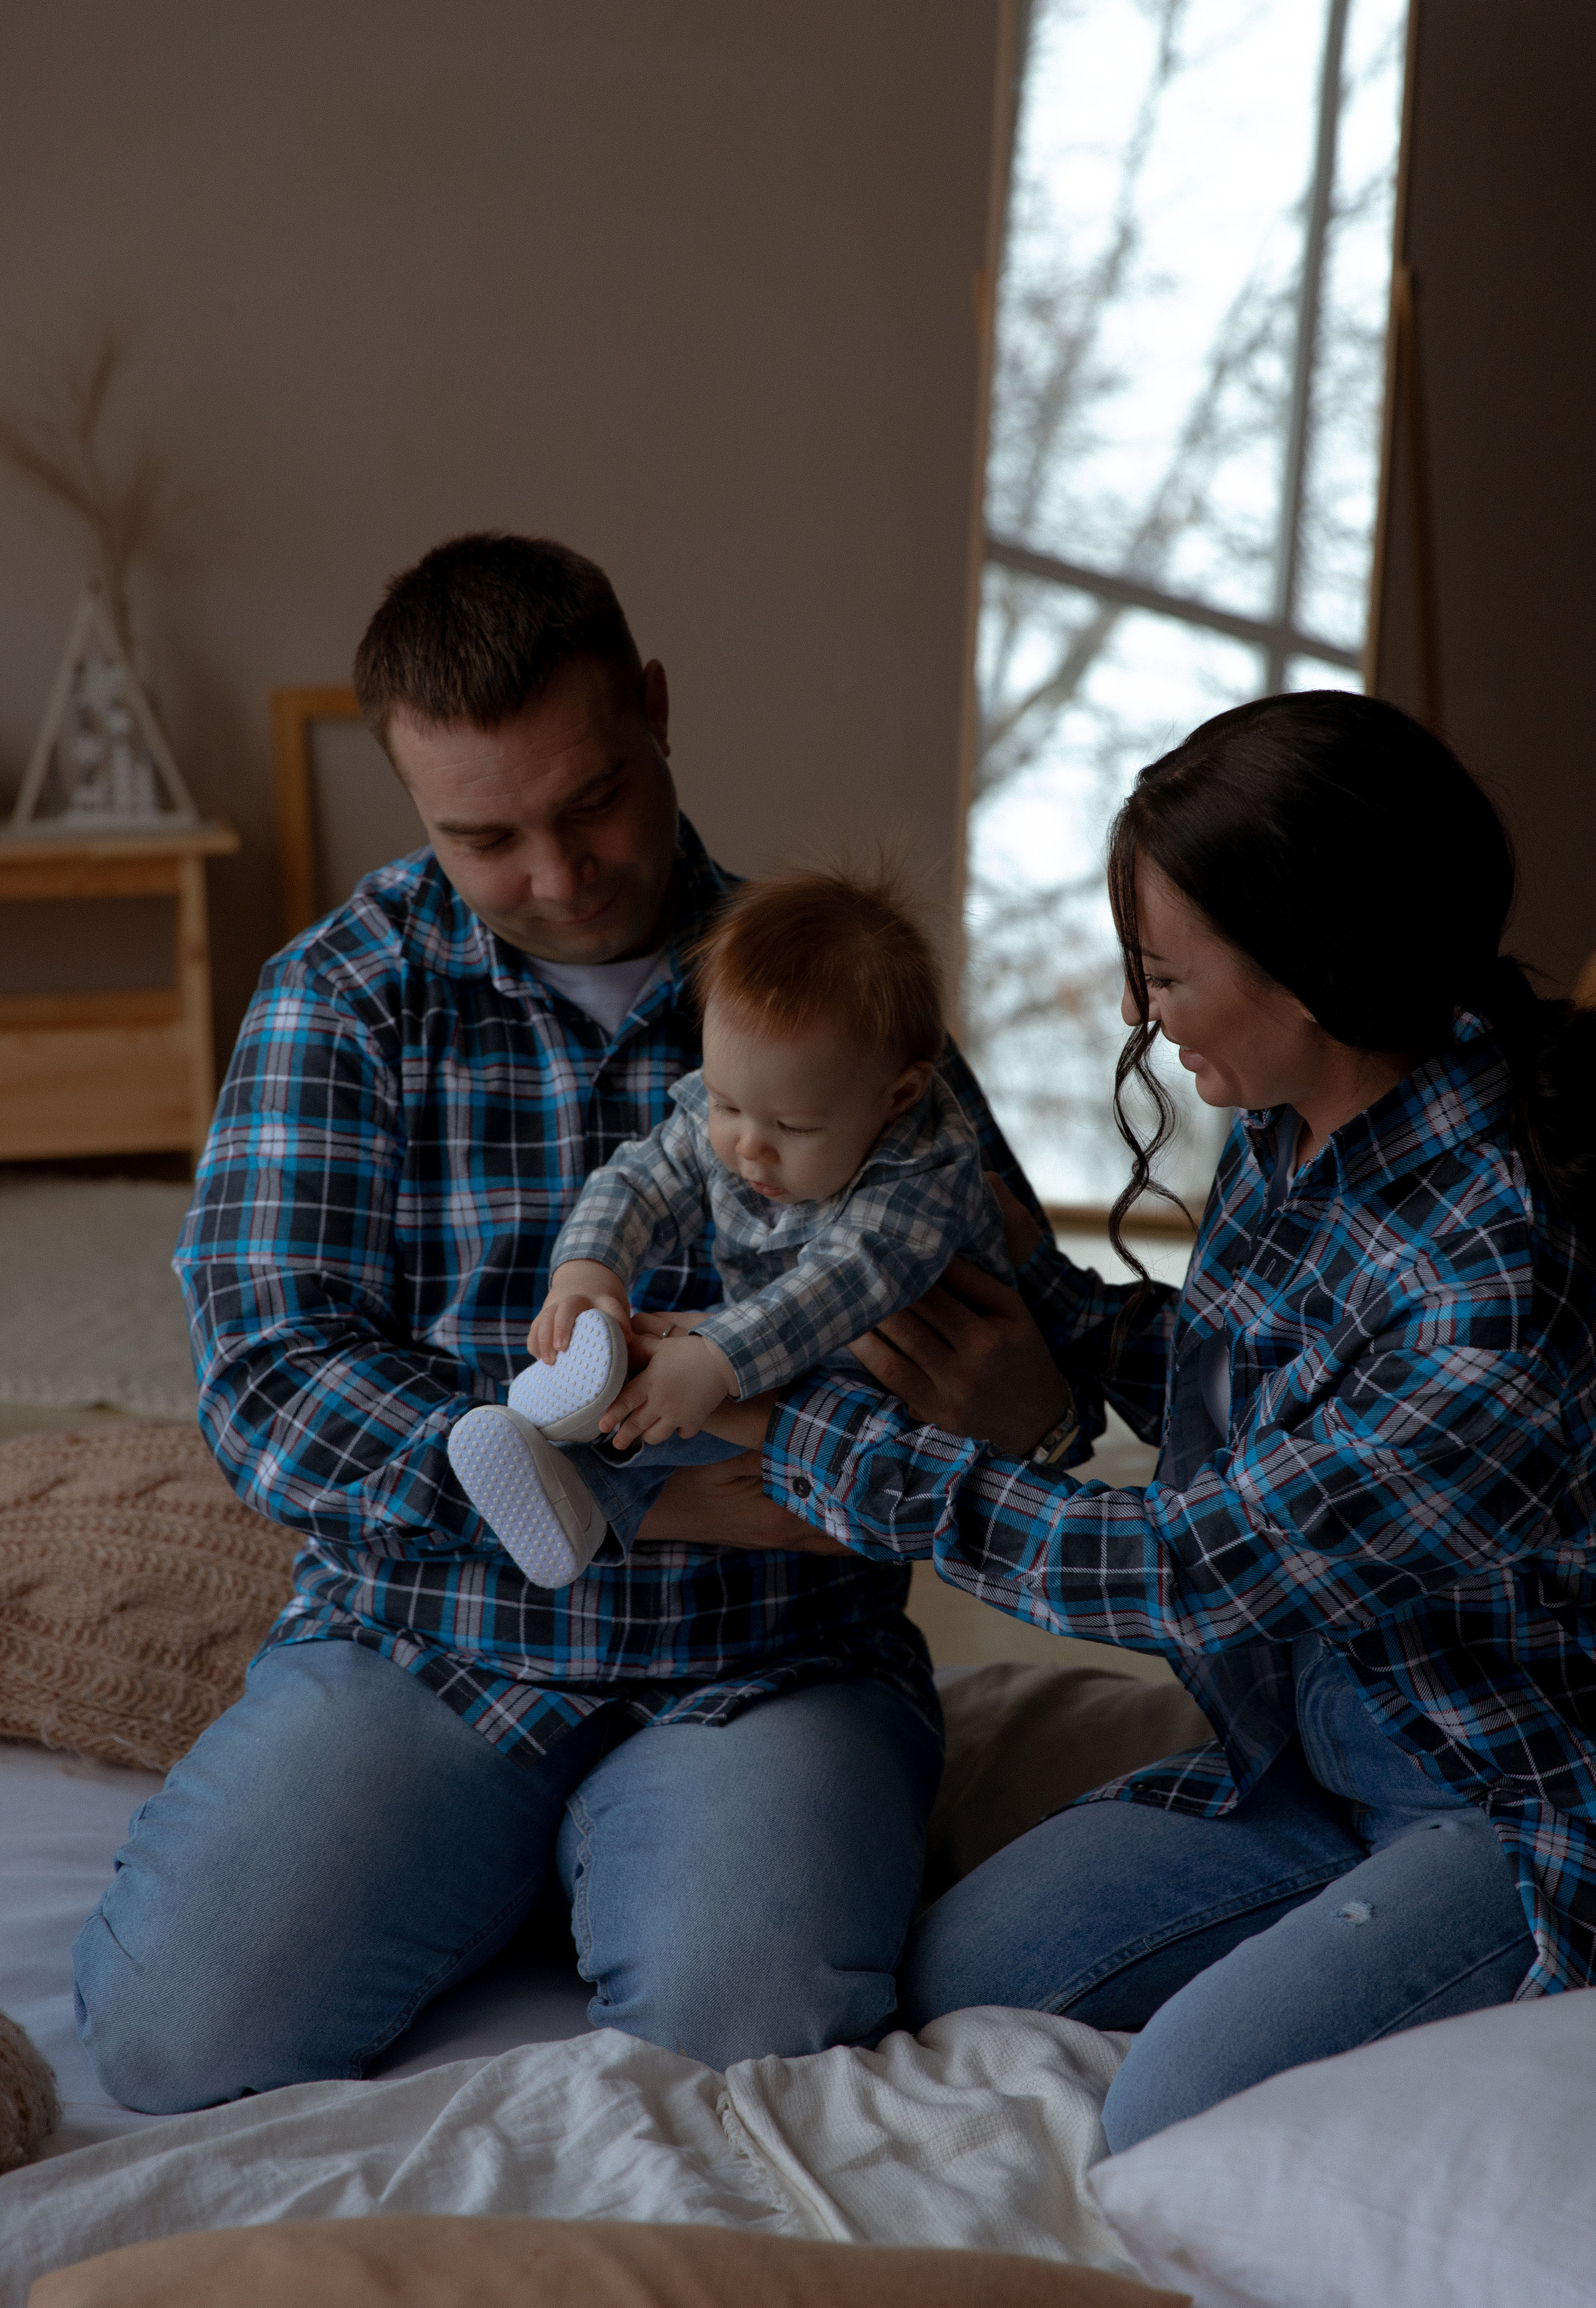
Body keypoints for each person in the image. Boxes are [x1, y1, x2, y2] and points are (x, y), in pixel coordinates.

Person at [71, 532, 1057, 2113]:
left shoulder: (831, 983)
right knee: (173, 2037)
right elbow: (268, 1371)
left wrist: (1021, 1403)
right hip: (425, 1642)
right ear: (412, 800)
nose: (556, 871)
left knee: (747, 2037)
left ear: (654, 708)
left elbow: (1033, 1344)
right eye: (485, 836)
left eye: (590, 799)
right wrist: (643, 1498)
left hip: (767, 1660)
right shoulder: (343, 993)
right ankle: (505, 1856)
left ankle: (623, 1859)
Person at [705, 693, 1596, 2150]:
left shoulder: (1489, 1289)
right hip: (1296, 1743)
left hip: (1490, 1794)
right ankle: (1338, 1931)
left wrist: (819, 1449)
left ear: (1308, 972)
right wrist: (1044, 1306)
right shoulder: (1292, 1117)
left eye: (1163, 974)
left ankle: (1452, 1953)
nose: (1137, 1013)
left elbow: (1194, 1563)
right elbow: (1275, 1396)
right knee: (962, 1973)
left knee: (1168, 2120)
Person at [447, 863, 1011, 1589]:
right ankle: (570, 1460)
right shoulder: (750, 1113)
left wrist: (715, 1359)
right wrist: (590, 1269)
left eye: (794, 1126)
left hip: (897, 1378)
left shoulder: (924, 1176)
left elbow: (836, 1287)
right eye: (724, 1104)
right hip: (770, 1343)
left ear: (896, 1096)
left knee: (732, 1388)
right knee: (661, 1388)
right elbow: (640, 1180)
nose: (747, 1146)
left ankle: (589, 1461)